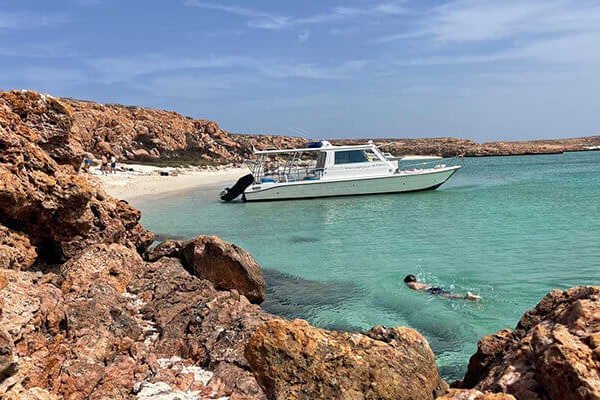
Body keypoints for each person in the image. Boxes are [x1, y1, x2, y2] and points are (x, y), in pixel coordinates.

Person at [404, 275, 481, 300]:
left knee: (448, 296)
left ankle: (466, 297)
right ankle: (466, 297)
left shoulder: (410, 284)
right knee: (448, 294)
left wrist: (420, 293)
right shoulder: (419, 283)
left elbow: (416, 288)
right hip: (433, 288)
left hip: (430, 290)